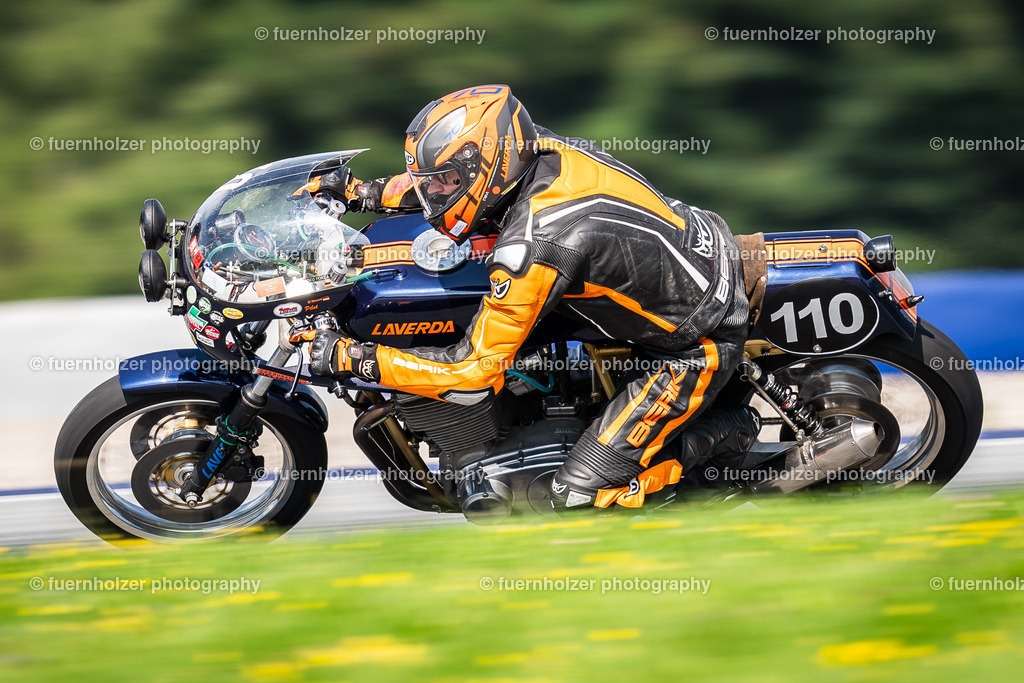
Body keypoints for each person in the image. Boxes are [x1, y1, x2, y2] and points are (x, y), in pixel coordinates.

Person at [305, 84, 759, 511]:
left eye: (445, 180)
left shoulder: (536, 244)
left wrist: (358, 359)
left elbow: (472, 374)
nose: (433, 194)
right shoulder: (531, 148)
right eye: (430, 181)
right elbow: (450, 184)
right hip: (692, 247)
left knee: (576, 499)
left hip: (694, 342)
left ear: (485, 168)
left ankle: (724, 438)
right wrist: (363, 192)